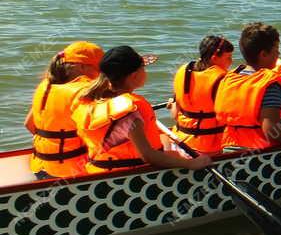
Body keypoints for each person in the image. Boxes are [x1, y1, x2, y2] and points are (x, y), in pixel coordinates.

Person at [72, 46, 211, 174]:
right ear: (134, 75)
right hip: (131, 177)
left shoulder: (89, 100)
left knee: (166, 142)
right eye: (143, 69)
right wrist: (191, 164)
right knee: (198, 158)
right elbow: (149, 156)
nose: (145, 73)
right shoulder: (130, 112)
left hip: (99, 171)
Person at [214, 22, 281, 149]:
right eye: (276, 49)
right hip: (261, 155)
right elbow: (272, 132)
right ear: (263, 54)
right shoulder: (270, 85)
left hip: (229, 149)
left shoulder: (230, 78)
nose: (278, 54)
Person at [24, 41, 104, 180]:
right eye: (99, 69)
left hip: (40, 167)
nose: (101, 75)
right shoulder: (83, 91)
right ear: (82, 66)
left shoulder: (46, 85)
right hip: (71, 172)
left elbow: (29, 125)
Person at [170, 35, 233, 154]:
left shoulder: (182, 71)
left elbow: (174, 114)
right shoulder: (223, 79)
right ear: (214, 58)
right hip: (209, 149)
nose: (231, 61)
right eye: (228, 57)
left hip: (180, 142)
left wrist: (173, 103)